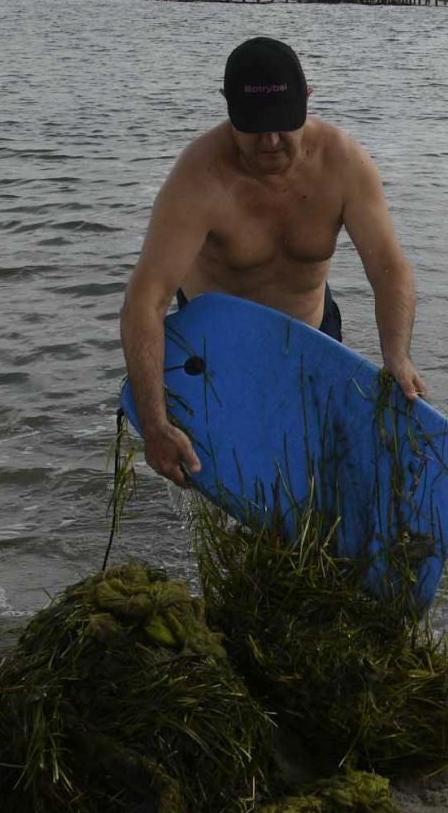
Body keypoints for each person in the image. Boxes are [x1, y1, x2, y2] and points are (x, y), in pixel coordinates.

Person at [120, 36, 427, 485]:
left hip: (313, 333)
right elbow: (144, 303)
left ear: (309, 100)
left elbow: (389, 269)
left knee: (319, 474)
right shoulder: (198, 178)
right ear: (228, 109)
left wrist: (396, 355)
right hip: (217, 353)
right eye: (254, 125)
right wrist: (154, 424)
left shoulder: (343, 163)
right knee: (232, 478)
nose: (270, 140)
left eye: (284, 123)